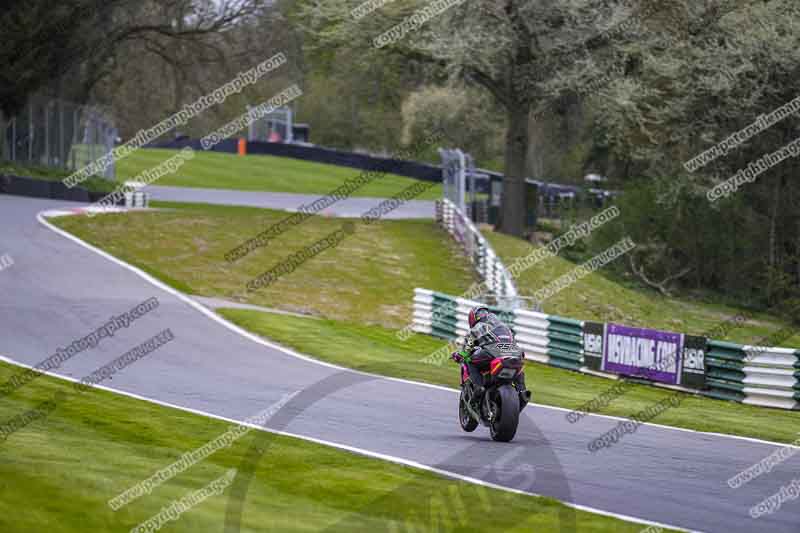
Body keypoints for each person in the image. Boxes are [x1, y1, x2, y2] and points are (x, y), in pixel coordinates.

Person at [452, 306, 531, 409]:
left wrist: (458, 355)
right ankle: (522, 391)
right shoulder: (504, 326)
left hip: (493, 353)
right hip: (515, 353)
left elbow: (467, 350)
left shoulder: (477, 327)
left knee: (469, 360)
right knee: (518, 366)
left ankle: (478, 387)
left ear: (473, 318)